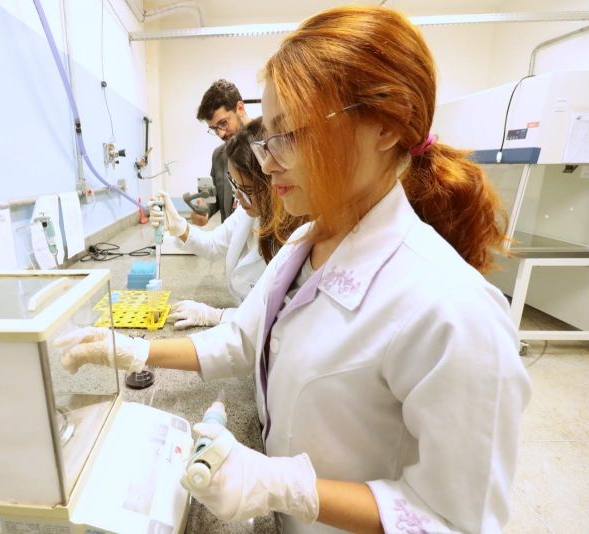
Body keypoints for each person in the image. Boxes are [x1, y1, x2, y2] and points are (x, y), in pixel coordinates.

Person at [60, 6, 530, 533]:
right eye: (267, 137)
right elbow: (241, 338)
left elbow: (456, 519)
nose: (267, 162)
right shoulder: (307, 240)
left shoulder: (453, 313)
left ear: (383, 125)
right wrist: (136, 350)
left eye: (292, 135)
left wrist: (286, 485)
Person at [150, 117, 305, 329]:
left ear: (273, 183)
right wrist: (179, 226)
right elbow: (213, 244)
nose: (238, 197)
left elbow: (280, 319)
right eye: (234, 184)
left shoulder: (298, 238)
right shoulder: (248, 211)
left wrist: (217, 316)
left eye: (247, 189)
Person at [193, 79, 252, 226]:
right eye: (214, 128)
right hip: (230, 244)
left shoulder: (267, 147)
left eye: (223, 123)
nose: (220, 134)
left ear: (240, 108)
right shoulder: (219, 156)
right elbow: (215, 200)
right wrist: (203, 210)